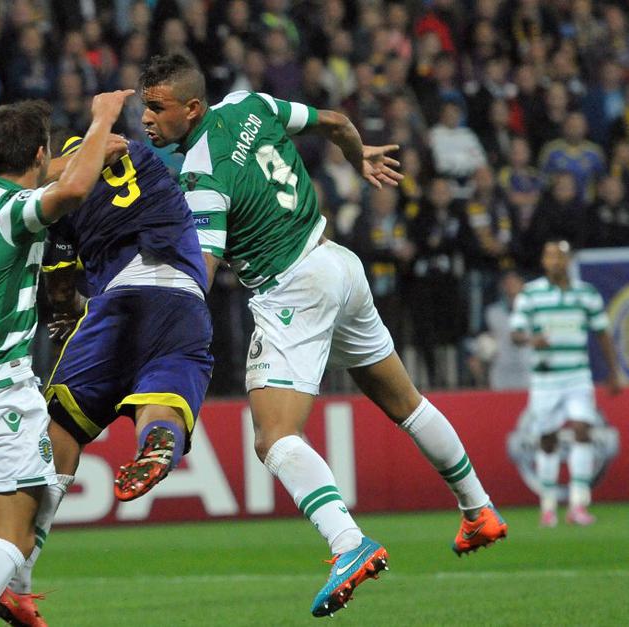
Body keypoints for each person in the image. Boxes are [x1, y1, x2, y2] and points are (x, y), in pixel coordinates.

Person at [138, 54, 507, 618]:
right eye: (143, 106)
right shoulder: (250, 103)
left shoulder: (201, 177)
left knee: (273, 438)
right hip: (338, 263)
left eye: (156, 107)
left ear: (190, 108)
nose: (146, 118)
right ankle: (478, 508)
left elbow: (201, 274)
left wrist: (147, 309)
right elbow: (335, 121)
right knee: (407, 403)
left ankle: (347, 542)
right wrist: (361, 157)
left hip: (292, 292)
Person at [0, 90, 133, 627]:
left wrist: (93, 150)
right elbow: (71, 188)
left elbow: (57, 174)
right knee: (12, 540)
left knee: (53, 471)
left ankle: (14, 596)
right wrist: (102, 120)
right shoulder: (14, 212)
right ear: (39, 153)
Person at [0, 131, 214, 624]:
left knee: (61, 429)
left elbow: (59, 279)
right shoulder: (146, 159)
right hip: (183, 298)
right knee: (164, 393)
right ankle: (158, 441)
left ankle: (18, 579)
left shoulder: (63, 198)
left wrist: (67, 307)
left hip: (115, 301)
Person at [510, 240, 622, 527]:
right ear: (543, 261)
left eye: (560, 256)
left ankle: (578, 504)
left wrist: (613, 372)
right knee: (548, 439)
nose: (555, 261)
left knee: (583, 430)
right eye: (550, 256)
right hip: (546, 378)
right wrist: (531, 339)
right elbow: (516, 333)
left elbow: (602, 333)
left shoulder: (586, 294)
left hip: (577, 376)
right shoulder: (531, 294)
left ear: (569, 260)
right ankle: (548, 505)